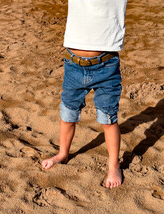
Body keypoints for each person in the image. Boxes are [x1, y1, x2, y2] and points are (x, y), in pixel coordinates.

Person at [42, 0, 128, 188]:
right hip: (74, 66)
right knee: (68, 113)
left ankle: (114, 165)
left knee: (108, 118)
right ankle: (63, 154)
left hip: (107, 66)